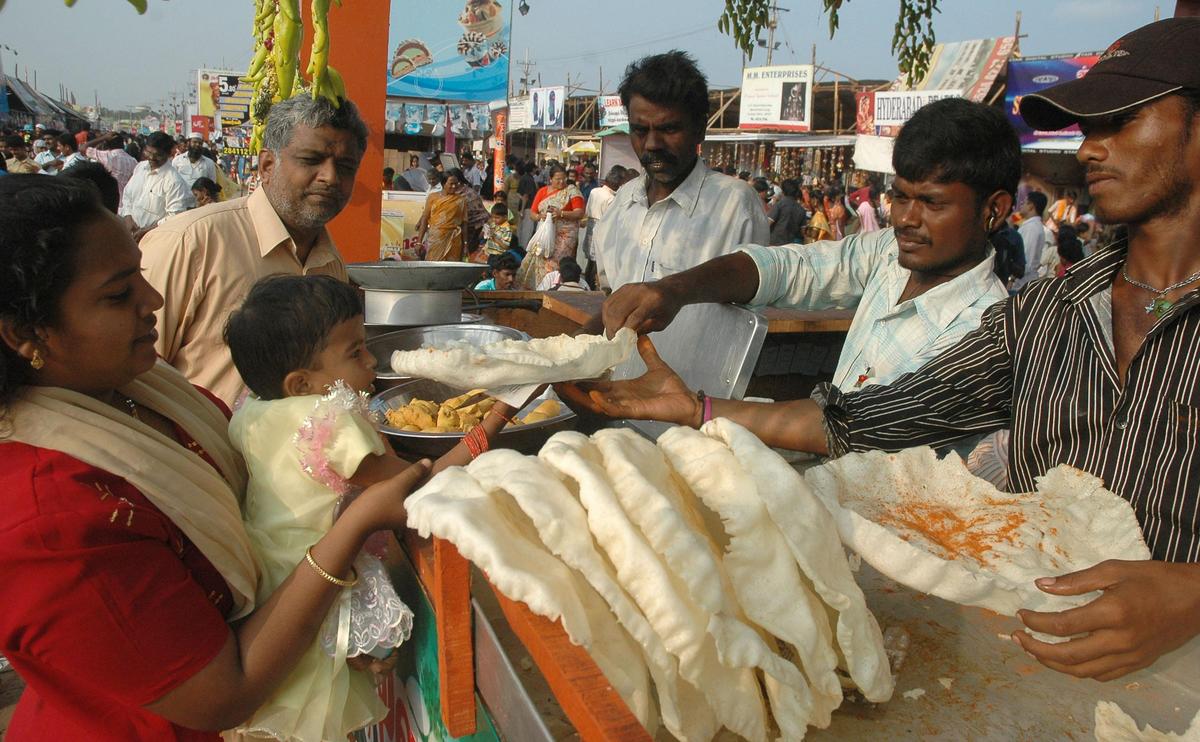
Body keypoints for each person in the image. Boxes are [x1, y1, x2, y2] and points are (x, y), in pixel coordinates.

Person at [575, 17, 1200, 683]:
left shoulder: (990, 311)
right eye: (1088, 128)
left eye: (1120, 123)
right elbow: (871, 415)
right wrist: (695, 399)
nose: (1091, 149)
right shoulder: (1046, 314)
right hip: (1030, 653)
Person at [0, 175, 429, 741]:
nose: (152, 301)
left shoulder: (139, 388)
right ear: (26, 334)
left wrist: (328, 622)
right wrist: (352, 530)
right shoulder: (49, 519)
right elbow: (224, 693)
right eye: (117, 295)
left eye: (140, 276)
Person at [589, 96, 1012, 394]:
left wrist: (699, 412)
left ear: (993, 210)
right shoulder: (886, 254)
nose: (905, 219)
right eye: (900, 197)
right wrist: (672, 291)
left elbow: (862, 425)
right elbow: (789, 270)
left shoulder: (986, 331)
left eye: (932, 203)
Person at [140, 95, 368, 407]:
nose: (330, 177)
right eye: (311, 160)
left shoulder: (330, 262)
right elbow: (135, 376)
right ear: (267, 165)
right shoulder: (191, 242)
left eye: (345, 166)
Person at [592, 51, 769, 291]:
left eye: (669, 129)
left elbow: (751, 297)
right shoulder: (623, 202)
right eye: (640, 130)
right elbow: (609, 291)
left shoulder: (735, 205)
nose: (652, 144)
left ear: (699, 129)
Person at [516, 164, 586, 289]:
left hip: (565, 237)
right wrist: (540, 216)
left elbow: (579, 213)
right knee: (539, 258)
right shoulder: (542, 191)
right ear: (550, 179)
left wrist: (561, 214)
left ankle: (553, 288)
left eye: (564, 179)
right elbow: (533, 214)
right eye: (558, 179)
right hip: (545, 235)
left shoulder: (572, 191)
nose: (561, 182)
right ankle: (538, 288)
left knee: (555, 264)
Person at [117, 131, 191, 241]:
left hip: (154, 239)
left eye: (157, 155)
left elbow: (174, 217)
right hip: (129, 234)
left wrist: (146, 231)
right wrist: (128, 217)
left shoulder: (174, 181)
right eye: (148, 152)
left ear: (168, 154)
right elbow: (127, 196)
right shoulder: (140, 167)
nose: (151, 157)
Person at [580, 165, 625, 286]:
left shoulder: (594, 191)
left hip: (591, 225)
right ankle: (593, 284)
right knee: (598, 260)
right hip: (602, 228)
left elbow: (587, 210)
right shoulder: (612, 198)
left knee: (591, 261)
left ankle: (588, 284)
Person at [416, 169, 468, 261]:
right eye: (451, 184)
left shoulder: (461, 200)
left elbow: (464, 224)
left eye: (456, 184)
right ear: (443, 184)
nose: (454, 186)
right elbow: (425, 218)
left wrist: (465, 245)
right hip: (436, 239)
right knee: (433, 265)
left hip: (454, 239)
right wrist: (419, 242)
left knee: (451, 267)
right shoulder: (433, 197)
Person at [83, 131, 139, 208]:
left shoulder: (109, 156)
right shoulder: (133, 161)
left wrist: (103, 138)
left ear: (107, 145)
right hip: (126, 203)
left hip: (110, 202)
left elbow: (83, 148)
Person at [1011, 191, 1048, 291]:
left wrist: (1012, 279)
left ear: (1031, 206)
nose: (1021, 205)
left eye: (1024, 202)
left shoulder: (1032, 228)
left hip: (1021, 284)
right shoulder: (1031, 225)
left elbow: (1027, 260)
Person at [767, 178, 807, 246]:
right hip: (790, 244)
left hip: (774, 243)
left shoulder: (779, 205)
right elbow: (803, 231)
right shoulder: (801, 209)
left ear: (783, 191)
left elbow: (768, 223)